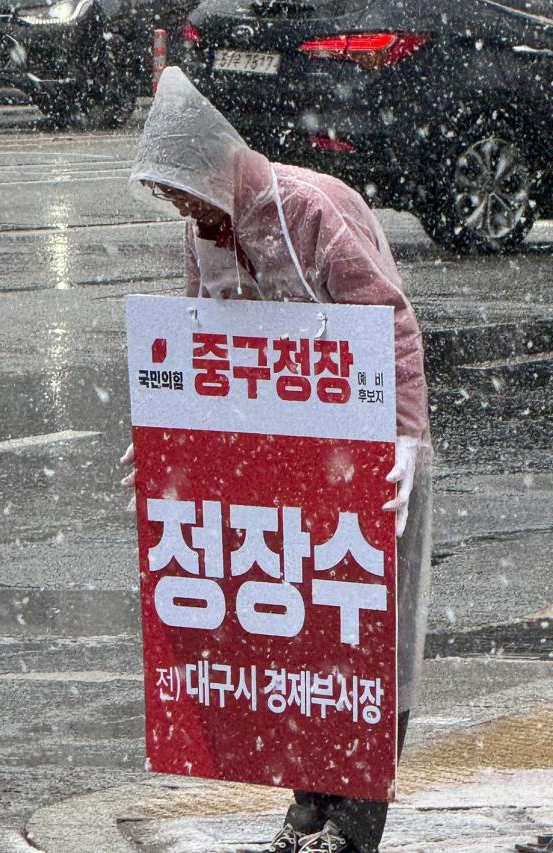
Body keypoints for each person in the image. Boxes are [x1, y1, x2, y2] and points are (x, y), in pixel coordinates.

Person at [123, 66, 432, 853]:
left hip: (369, 458)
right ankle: (308, 804)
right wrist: (170, 451)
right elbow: (203, 348)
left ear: (212, 172)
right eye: (165, 196)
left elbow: (387, 324)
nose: (178, 210)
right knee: (294, 630)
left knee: (368, 636)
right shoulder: (204, 232)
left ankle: (355, 824)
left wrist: (401, 438)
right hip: (282, 463)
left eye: (180, 190)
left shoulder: (311, 210)